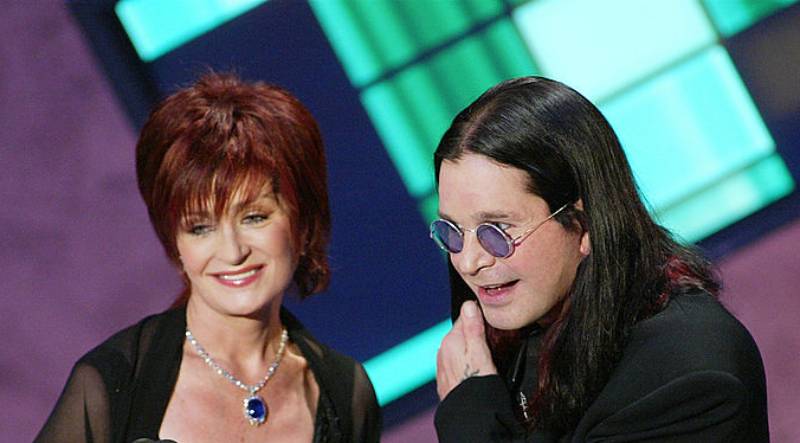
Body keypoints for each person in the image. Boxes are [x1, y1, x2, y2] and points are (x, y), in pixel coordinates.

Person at [36, 73, 381, 442]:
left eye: (255, 217)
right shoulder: (117, 380)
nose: (233, 252)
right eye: (200, 227)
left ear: (302, 222)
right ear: (176, 243)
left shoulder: (344, 393)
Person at [431, 76, 768, 442]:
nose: (468, 262)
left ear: (586, 223)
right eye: (452, 231)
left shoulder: (686, 375)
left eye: (496, 230)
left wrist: (472, 417)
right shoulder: (510, 335)